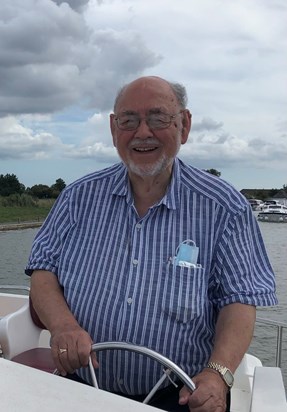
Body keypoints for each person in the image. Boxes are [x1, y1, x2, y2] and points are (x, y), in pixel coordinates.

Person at [25, 76, 277, 412]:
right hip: (82, 387)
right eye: (129, 121)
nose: (143, 133)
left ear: (184, 126)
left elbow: (240, 301)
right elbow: (44, 269)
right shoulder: (77, 197)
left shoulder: (224, 207)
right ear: (114, 129)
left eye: (158, 119)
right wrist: (64, 326)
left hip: (179, 397)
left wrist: (217, 375)